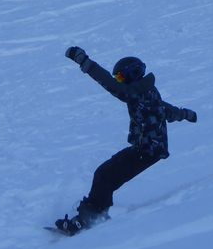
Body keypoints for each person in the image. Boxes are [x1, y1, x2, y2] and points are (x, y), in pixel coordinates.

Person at [56, 46, 198, 235]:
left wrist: (83, 61)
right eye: (118, 78)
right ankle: (95, 214)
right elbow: (166, 110)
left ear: (133, 74)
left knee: (105, 175)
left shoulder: (136, 92)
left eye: (121, 77)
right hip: (145, 149)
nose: (119, 81)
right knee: (105, 175)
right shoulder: (147, 91)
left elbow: (111, 85)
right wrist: (186, 114)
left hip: (148, 150)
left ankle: (89, 219)